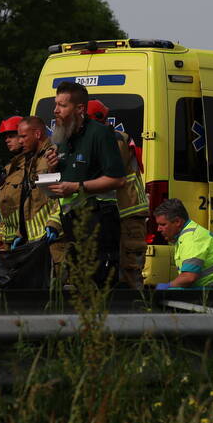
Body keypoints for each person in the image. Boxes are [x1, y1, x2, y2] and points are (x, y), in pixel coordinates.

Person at [45, 82, 125, 285]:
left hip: (99, 220)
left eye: (62, 105)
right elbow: (66, 180)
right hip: (72, 222)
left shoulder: (100, 133)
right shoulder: (63, 137)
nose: (55, 110)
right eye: (55, 104)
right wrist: (53, 169)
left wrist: (77, 187)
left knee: (99, 283)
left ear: (80, 108)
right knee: (78, 283)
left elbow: (118, 179)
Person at [85, 99, 149, 288]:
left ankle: (137, 311)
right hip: (113, 212)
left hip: (129, 211)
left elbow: (108, 169)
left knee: (130, 268)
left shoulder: (116, 139)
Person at [153, 198, 213, 289]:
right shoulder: (187, 235)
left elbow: (189, 277)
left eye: (163, 224)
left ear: (177, 222)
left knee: (172, 293)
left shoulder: (192, 239)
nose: (158, 229)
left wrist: (167, 286)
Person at [11, 115, 60, 248]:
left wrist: (54, 224)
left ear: (37, 134)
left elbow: (59, 196)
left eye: (23, 136)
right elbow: (27, 200)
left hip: (52, 239)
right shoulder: (31, 160)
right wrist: (20, 233)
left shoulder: (52, 155)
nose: (20, 141)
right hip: (33, 240)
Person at [0, 115, 25, 249]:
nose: (7, 140)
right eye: (5, 137)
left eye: (11, 136)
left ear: (23, 136)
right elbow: (4, 208)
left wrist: (22, 233)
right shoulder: (8, 170)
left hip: (24, 238)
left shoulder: (31, 167)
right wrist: (0, 237)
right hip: (7, 242)